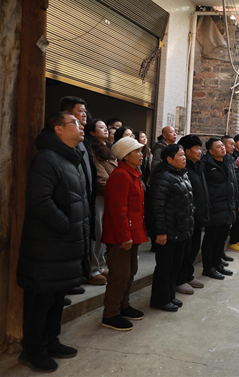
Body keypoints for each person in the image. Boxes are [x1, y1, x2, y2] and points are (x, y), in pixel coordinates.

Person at [17, 112, 88, 372]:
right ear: (58, 128)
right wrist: (66, 226)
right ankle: (32, 350)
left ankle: (51, 341)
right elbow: (40, 201)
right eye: (75, 123)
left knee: (57, 297)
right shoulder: (47, 158)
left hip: (65, 245)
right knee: (41, 300)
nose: (81, 126)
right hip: (47, 246)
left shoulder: (70, 158)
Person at [101, 138, 148, 331]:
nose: (141, 155)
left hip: (133, 232)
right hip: (121, 235)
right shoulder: (120, 175)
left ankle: (123, 305)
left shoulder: (133, 173)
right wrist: (124, 236)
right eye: (137, 151)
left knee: (130, 272)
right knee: (119, 275)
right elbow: (118, 210)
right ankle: (110, 314)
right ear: (126, 156)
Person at [149, 145, 195, 312]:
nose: (184, 158)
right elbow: (157, 208)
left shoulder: (181, 174)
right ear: (169, 159)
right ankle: (160, 300)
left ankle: (169, 296)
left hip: (180, 230)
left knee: (175, 265)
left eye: (184, 155)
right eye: (180, 155)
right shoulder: (163, 177)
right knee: (165, 267)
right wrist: (161, 232)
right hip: (168, 231)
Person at [60, 97, 96, 289]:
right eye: (80, 111)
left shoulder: (83, 141)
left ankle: (79, 276)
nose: (85, 115)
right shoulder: (62, 145)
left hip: (84, 200)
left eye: (85, 111)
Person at [175, 135, 210, 294]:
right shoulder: (184, 169)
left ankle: (188, 275)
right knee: (185, 250)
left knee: (194, 247)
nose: (199, 151)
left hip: (198, 215)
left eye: (199, 148)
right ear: (187, 151)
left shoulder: (199, 166)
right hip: (188, 216)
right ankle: (180, 279)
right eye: (196, 148)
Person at [201, 138, 237, 280]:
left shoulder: (228, 162)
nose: (222, 148)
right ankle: (208, 267)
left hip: (227, 206)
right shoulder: (206, 165)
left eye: (222, 145)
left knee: (221, 238)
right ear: (210, 151)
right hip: (214, 207)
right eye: (218, 146)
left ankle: (217, 264)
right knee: (211, 239)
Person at [85, 119, 115, 285]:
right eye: (101, 127)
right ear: (91, 132)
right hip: (100, 194)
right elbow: (100, 176)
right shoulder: (91, 148)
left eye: (105, 127)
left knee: (105, 231)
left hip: (110, 195)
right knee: (97, 232)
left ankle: (101, 265)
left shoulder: (108, 147)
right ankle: (93, 269)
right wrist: (115, 187)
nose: (105, 129)